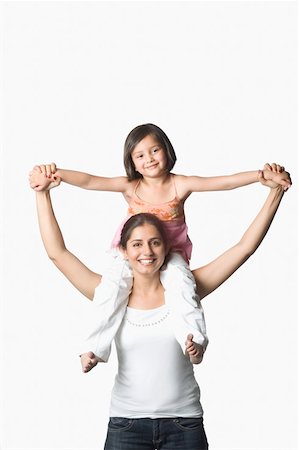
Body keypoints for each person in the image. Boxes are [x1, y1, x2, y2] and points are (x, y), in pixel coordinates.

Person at [31, 167, 290, 450]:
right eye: (137, 244)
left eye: (155, 243)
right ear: (125, 251)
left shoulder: (187, 289)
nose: (147, 252)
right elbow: (58, 253)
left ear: (166, 248)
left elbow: (243, 249)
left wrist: (275, 193)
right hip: (126, 425)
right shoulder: (109, 294)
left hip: (184, 425)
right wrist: (42, 193)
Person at [29, 124, 292, 371]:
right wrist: (54, 176)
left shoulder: (180, 184)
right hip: (127, 258)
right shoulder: (131, 187)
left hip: (173, 254)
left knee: (182, 287)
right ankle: (94, 347)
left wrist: (261, 177)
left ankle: (194, 340)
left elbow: (223, 182)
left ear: (167, 150)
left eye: (155, 150)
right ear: (131, 162)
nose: (150, 158)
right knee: (110, 289)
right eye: (140, 155)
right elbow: (89, 181)